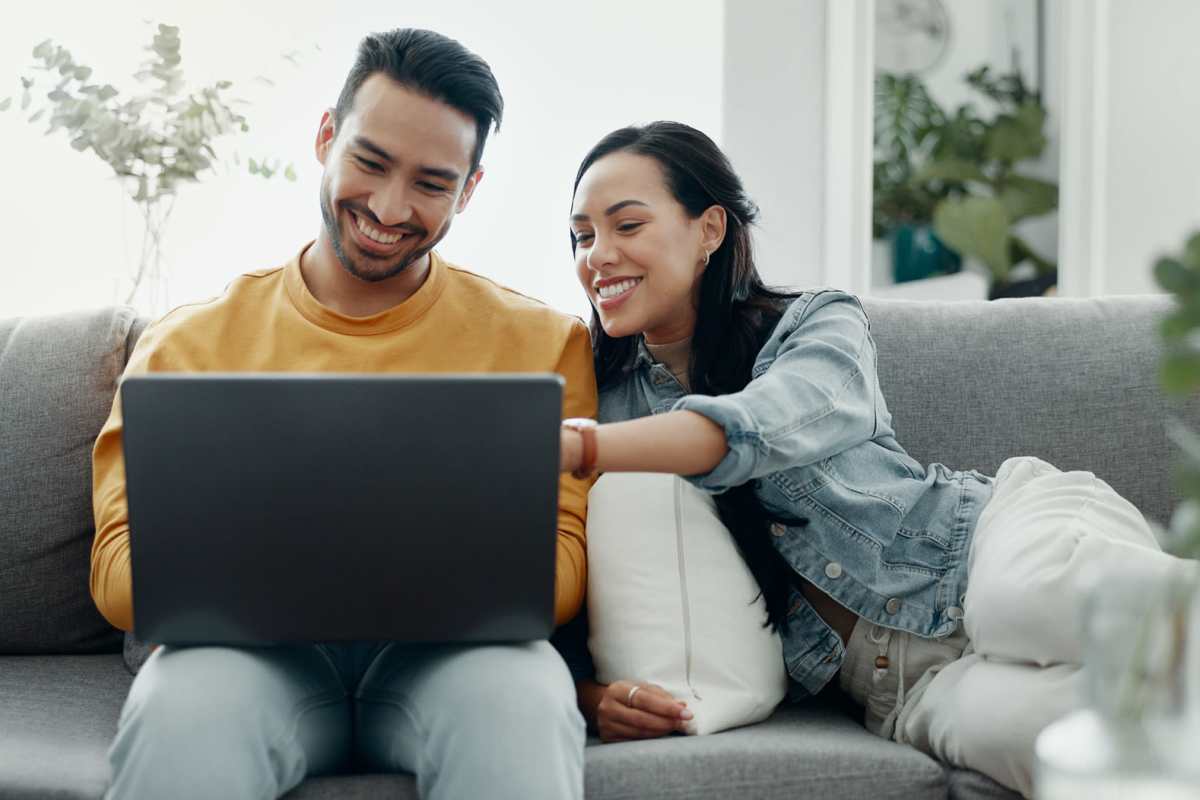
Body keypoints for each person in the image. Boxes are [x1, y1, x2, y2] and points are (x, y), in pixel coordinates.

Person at [554, 120, 1190, 798]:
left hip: (987, 543)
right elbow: (563, 602)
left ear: (709, 229)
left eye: (626, 226)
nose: (598, 255)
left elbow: (760, 425)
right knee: (1086, 744)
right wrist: (595, 700)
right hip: (903, 684)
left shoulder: (816, 324)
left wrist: (582, 447)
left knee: (1034, 608)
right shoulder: (597, 392)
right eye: (582, 236)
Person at [91, 28, 596, 800]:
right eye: (370, 163)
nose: (390, 207)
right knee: (180, 716)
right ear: (326, 137)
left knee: (522, 704)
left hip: (460, 660)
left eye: (432, 183)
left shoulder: (541, 342)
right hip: (247, 660)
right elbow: (119, 574)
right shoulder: (185, 344)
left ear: (468, 189)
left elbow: (560, 566)